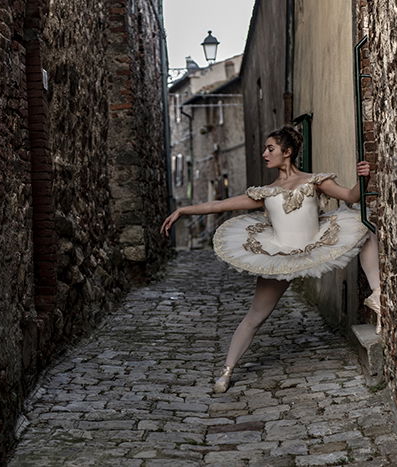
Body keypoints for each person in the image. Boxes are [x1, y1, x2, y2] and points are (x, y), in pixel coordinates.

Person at [161, 125, 381, 393]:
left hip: (317, 243)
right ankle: (227, 371)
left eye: (270, 148)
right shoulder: (264, 193)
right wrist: (183, 210)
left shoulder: (315, 181)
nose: (265, 154)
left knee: (364, 229)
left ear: (287, 152)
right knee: (256, 315)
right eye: (265, 149)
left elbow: (351, 197)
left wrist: (363, 179)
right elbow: (218, 205)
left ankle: (378, 293)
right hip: (280, 255)